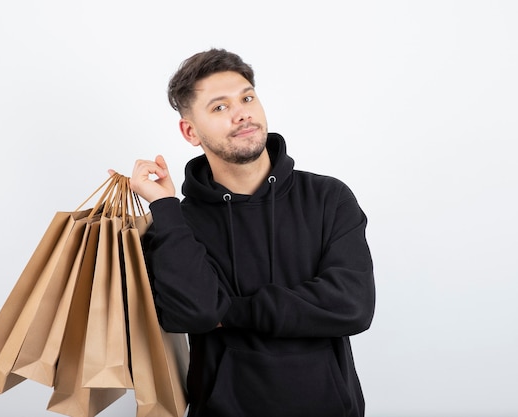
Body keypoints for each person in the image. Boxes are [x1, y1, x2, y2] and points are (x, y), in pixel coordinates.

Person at [127, 48, 375, 417]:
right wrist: (165, 206)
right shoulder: (178, 224)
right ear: (190, 131)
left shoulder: (327, 198)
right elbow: (193, 314)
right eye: (219, 107)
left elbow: (352, 306)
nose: (242, 112)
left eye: (247, 98)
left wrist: (232, 312)